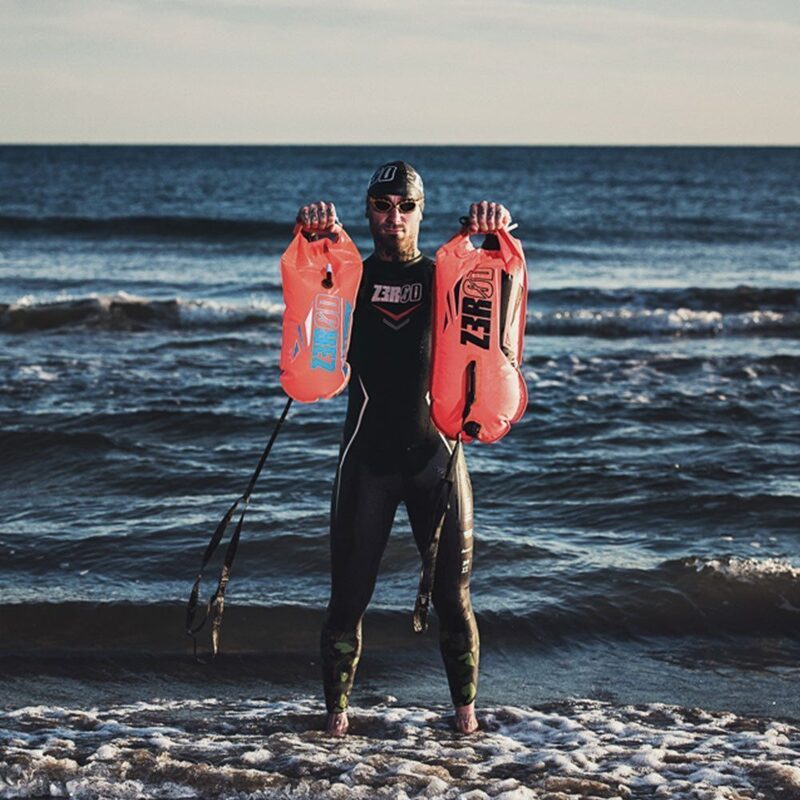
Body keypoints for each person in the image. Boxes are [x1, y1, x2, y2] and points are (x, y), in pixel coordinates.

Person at [296, 161, 512, 737]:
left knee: (453, 599)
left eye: (406, 206)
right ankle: (335, 727)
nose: (394, 219)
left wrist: (494, 234)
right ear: (368, 211)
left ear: (421, 211)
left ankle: (466, 721)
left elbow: (499, 299)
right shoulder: (347, 282)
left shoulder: (446, 277)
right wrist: (313, 239)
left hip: (435, 460)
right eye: (382, 206)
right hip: (365, 463)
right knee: (347, 601)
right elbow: (309, 327)